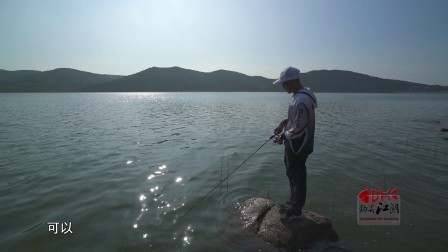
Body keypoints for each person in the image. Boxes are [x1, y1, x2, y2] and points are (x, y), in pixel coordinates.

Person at [272, 66, 318, 222]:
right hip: (295, 143)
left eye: (284, 84)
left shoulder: (302, 100)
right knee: (291, 174)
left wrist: (282, 137)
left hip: (299, 145)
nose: (283, 87)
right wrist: (282, 124)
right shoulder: (300, 96)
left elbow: (299, 127)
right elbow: (295, 120)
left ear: (292, 81)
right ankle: (293, 203)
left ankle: (296, 211)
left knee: (297, 176)